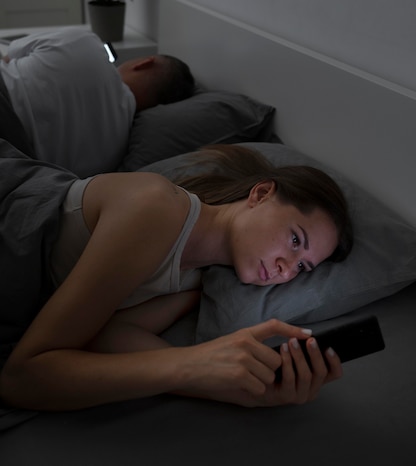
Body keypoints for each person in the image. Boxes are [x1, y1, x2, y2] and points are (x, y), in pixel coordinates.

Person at [0, 143, 353, 411]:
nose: (286, 269)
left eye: (302, 267)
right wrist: (193, 365)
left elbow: (107, 337)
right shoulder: (156, 208)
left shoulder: (194, 280)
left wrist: (243, 391)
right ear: (261, 194)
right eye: (295, 240)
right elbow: (22, 377)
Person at [0, 27, 195, 177]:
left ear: (144, 62)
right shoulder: (114, 155)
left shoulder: (85, 42)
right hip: (14, 162)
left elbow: (8, 56)